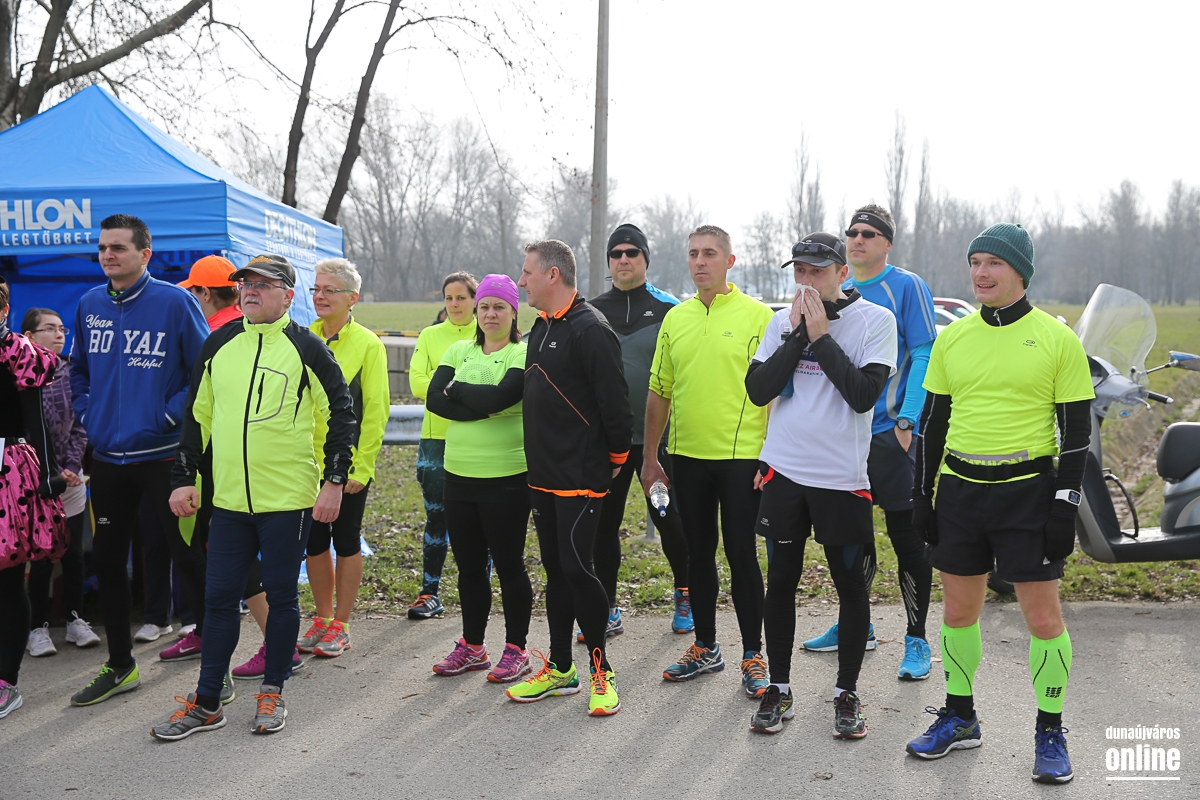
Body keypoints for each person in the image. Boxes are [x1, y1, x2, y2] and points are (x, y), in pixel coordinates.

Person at [904, 224, 1093, 785]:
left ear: (1020, 272)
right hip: (961, 492)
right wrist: (921, 496)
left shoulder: (1056, 339)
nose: (981, 273)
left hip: (1027, 494)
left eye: (994, 263)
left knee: (1044, 619)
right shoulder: (954, 338)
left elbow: (1076, 436)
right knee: (958, 613)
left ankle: (1050, 730)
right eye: (975, 262)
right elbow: (932, 424)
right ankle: (960, 717)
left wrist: (1064, 507)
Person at [151, 253, 355, 740]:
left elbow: (342, 412)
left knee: (281, 597)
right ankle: (207, 702)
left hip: (287, 499)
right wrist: (183, 476)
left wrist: (333, 481)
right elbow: (196, 416)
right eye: (246, 283)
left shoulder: (306, 346)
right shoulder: (219, 342)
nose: (251, 290)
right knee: (219, 597)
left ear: (288, 295)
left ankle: (272, 692)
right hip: (229, 501)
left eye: (264, 284)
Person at [744, 233, 897, 738]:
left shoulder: (876, 321)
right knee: (781, 582)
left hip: (841, 477)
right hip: (784, 472)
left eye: (818, 270)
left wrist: (821, 336)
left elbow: (862, 395)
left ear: (842, 273)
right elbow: (758, 389)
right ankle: (779, 687)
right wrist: (796, 337)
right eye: (800, 271)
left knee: (850, 586)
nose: (807, 280)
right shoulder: (780, 322)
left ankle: (846, 692)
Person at [68, 214, 210, 707]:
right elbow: (78, 370)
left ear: (145, 254)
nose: (108, 255)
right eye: (103, 247)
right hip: (108, 459)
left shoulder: (174, 302)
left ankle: (214, 664)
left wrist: (167, 416)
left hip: (163, 457)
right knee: (109, 561)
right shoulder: (89, 304)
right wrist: (88, 413)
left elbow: (204, 371)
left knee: (187, 557)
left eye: (119, 248)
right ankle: (120, 666)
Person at [803, 205, 938, 681]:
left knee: (906, 538)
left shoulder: (906, 286)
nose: (858, 239)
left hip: (888, 435)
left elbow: (924, 351)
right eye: (853, 232)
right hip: (845, 439)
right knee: (852, 537)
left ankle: (917, 639)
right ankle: (856, 626)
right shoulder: (836, 289)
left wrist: (908, 419)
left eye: (869, 233)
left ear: (887, 243)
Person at [642, 225, 774, 697]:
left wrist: (772, 457)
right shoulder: (675, 318)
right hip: (686, 458)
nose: (700, 262)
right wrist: (650, 456)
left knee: (741, 554)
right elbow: (659, 390)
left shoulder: (759, 316)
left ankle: (754, 654)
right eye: (694, 253)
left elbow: (775, 393)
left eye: (710, 253)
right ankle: (705, 646)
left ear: (729, 261)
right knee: (697, 554)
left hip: (742, 460)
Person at [507, 240, 632, 717]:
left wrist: (614, 458)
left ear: (553, 275)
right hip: (542, 474)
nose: (522, 281)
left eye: (527, 273)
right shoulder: (540, 327)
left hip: (581, 474)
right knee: (556, 571)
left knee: (579, 570)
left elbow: (615, 404)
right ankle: (561, 668)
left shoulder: (590, 328)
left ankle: (602, 671)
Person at [177, 254, 285, 677]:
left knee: (235, 560)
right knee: (234, 561)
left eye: (193, 292)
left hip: (221, 468)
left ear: (205, 293)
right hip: (235, 465)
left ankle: (275, 644)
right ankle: (225, 637)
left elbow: (201, 407)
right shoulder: (233, 331)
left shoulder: (220, 335)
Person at [426, 274, 533, 683]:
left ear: (513, 312)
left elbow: (503, 396)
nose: (491, 314)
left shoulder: (522, 353)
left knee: (508, 566)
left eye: (499, 307)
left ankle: (517, 650)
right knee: (469, 567)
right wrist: (481, 406)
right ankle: (473, 647)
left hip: (506, 476)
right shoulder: (459, 349)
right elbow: (434, 400)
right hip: (458, 474)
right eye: (485, 306)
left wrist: (458, 390)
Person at [587, 223, 692, 637]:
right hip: (608, 442)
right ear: (609, 262)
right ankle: (607, 607)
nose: (624, 259)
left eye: (632, 252)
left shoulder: (671, 310)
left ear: (646, 259)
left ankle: (685, 596)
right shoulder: (591, 311)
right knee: (604, 526)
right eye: (616, 253)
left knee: (668, 519)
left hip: (657, 442)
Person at [299, 258, 389, 658]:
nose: (320, 296)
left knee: (346, 539)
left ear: (352, 298)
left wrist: (361, 467)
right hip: (306, 463)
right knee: (314, 541)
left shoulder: (368, 344)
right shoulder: (303, 336)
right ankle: (322, 618)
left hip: (347, 465)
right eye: (316, 289)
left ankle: (342, 624)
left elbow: (376, 411)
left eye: (329, 290)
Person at [0, 282, 69, 719]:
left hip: (6, 471)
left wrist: (48, 474)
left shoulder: (17, 353)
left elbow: (35, 420)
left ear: (4, 309)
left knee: (7, 579)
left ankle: (6, 681)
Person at [23, 307, 99, 656]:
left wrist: (69, 466)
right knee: (41, 555)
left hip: (70, 479)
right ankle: (36, 628)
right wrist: (49, 471)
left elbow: (80, 426)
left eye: (62, 329)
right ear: (29, 336)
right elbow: (22, 432)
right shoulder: (18, 373)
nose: (59, 335)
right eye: (50, 329)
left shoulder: (71, 371)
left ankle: (74, 620)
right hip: (32, 479)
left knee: (73, 553)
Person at [403, 273, 478, 621]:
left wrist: (442, 387)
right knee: (436, 518)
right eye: (448, 298)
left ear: (475, 300)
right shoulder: (430, 335)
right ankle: (429, 593)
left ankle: (478, 594)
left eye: (461, 298)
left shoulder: (487, 334)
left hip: (478, 440)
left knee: (478, 523)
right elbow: (417, 383)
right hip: (436, 442)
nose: (454, 304)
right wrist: (461, 391)